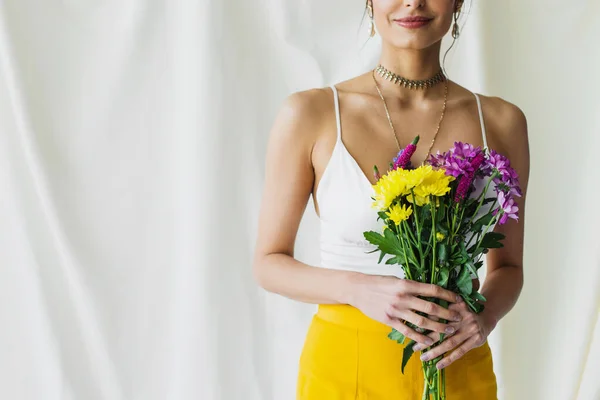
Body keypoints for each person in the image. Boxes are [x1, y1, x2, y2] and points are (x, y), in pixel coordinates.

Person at [253, 0, 529, 398]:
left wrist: (484, 316)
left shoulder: (502, 122)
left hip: (458, 363)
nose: (413, 1)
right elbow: (268, 263)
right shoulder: (311, 113)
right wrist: (357, 288)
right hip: (347, 366)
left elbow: (510, 267)